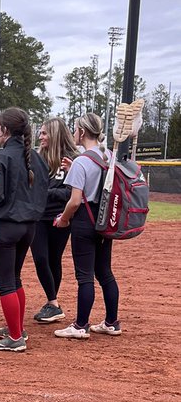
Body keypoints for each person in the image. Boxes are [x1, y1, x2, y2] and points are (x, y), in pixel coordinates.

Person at [53, 112, 122, 338]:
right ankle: (112, 321)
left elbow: (74, 201)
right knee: (105, 273)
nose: (73, 133)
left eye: (75, 129)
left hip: (84, 220)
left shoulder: (82, 161)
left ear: (82, 132)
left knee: (84, 276)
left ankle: (80, 325)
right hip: (105, 219)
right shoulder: (108, 155)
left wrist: (63, 219)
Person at [0, 107, 49, 353]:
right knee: (15, 279)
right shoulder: (37, 158)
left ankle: (15, 337)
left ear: (4, 130)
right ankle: (17, 328)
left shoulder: (0, 158)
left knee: (6, 284)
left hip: (5, 228)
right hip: (29, 227)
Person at [29, 117, 76, 323]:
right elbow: (31, 187)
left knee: (54, 259)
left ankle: (51, 304)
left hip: (61, 217)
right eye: (40, 133)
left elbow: (70, 193)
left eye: (44, 133)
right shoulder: (37, 158)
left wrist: (46, 192)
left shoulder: (71, 158)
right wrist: (49, 192)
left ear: (55, 134)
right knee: (40, 259)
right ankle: (53, 302)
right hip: (38, 217)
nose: (40, 137)